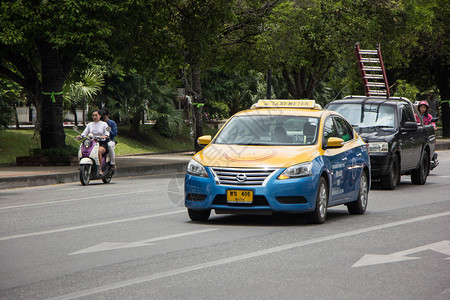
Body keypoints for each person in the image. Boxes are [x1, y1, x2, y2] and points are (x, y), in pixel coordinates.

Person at [77, 109, 110, 175]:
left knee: (99, 151)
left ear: (100, 116)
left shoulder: (104, 124)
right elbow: (84, 133)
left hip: (101, 143)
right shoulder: (90, 124)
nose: (94, 117)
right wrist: (80, 136)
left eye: (96, 115)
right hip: (91, 143)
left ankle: (100, 169)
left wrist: (104, 136)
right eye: (93, 115)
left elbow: (107, 133)